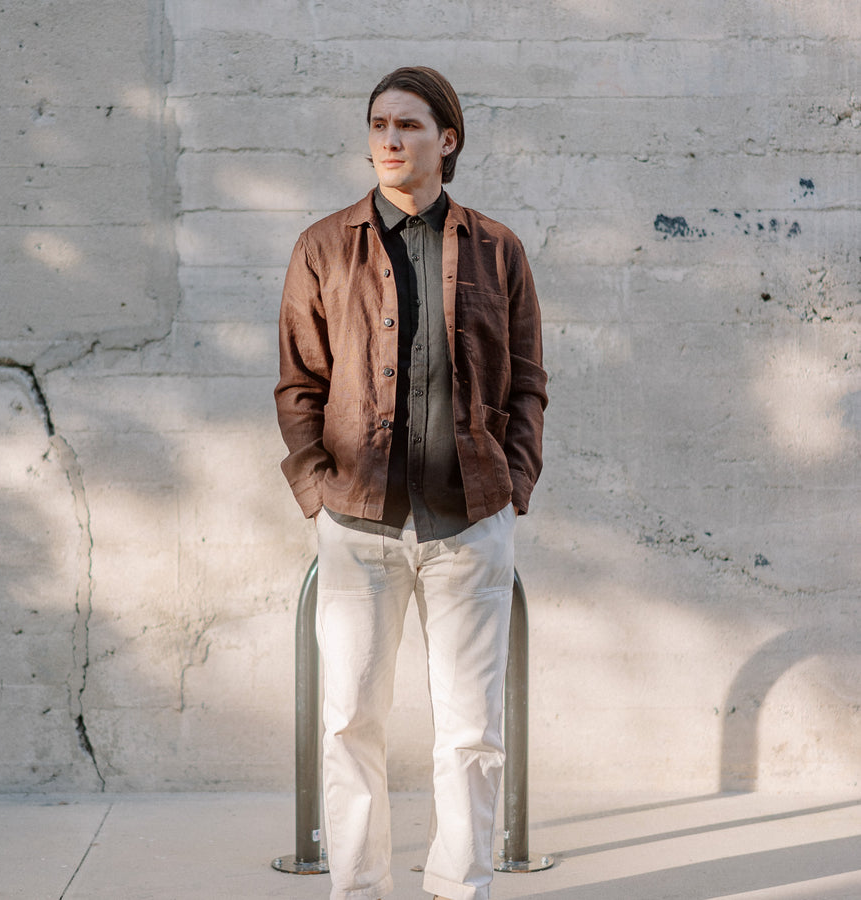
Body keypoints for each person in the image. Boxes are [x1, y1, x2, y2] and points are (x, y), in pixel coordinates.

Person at [275, 65, 548, 900]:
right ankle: (356, 890)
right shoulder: (324, 246)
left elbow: (528, 381)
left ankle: (458, 889)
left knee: (470, 731)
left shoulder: (499, 249)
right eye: (378, 125)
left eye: (409, 125)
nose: (389, 139)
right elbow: (298, 385)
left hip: (469, 522)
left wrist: (516, 482)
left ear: (447, 140)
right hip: (356, 525)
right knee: (351, 722)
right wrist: (319, 487)